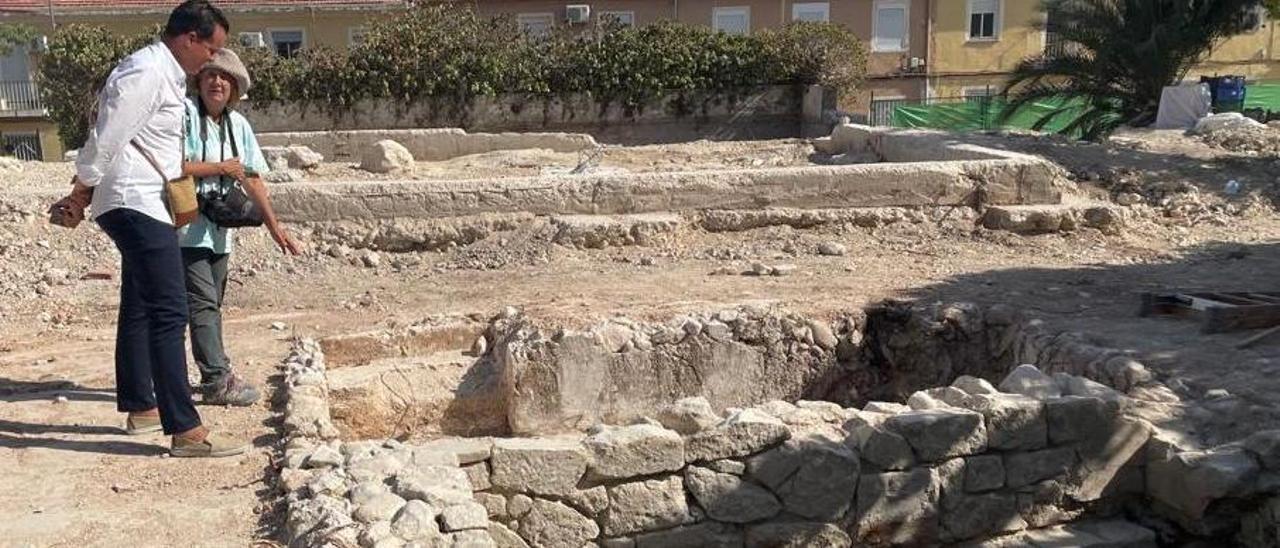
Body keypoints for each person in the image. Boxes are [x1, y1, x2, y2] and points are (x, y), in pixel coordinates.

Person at [64, 0, 247, 458]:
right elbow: (107, 135)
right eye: (211, 50)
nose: (212, 61)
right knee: (171, 310)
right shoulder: (145, 71)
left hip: (141, 200)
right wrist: (81, 191)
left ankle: (142, 407)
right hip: (134, 199)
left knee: (143, 302)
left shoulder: (162, 73)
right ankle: (185, 429)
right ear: (189, 38)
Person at [180, 48, 301, 406]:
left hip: (219, 231)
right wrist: (219, 168)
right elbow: (171, 163)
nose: (217, 82)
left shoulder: (238, 125)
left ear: (234, 87)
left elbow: (252, 178)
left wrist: (274, 226)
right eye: (210, 76)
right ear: (199, 82)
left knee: (211, 303)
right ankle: (217, 380)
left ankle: (207, 372)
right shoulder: (185, 115)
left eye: (224, 78)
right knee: (202, 303)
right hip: (185, 227)